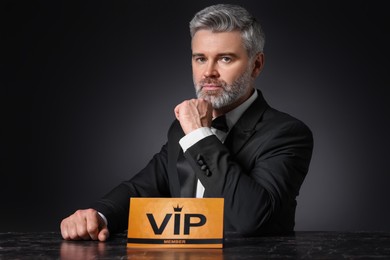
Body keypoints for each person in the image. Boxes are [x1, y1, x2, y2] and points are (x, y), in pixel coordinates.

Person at [60, 3, 313, 241]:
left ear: (256, 65)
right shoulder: (180, 131)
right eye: (200, 58)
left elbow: (251, 218)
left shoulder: (287, 133)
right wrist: (96, 216)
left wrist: (200, 136)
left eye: (225, 58)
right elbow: (141, 188)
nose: (208, 72)